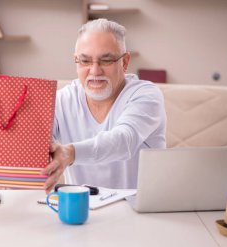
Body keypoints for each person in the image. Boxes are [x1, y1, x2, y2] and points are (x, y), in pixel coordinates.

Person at [42, 18, 167, 193]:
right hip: (83, 210)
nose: (95, 71)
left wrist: (70, 153)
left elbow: (124, 140)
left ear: (124, 62)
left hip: (138, 212)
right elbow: (40, 142)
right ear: (76, 61)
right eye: (85, 61)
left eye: (106, 60)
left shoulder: (146, 95)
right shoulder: (62, 100)